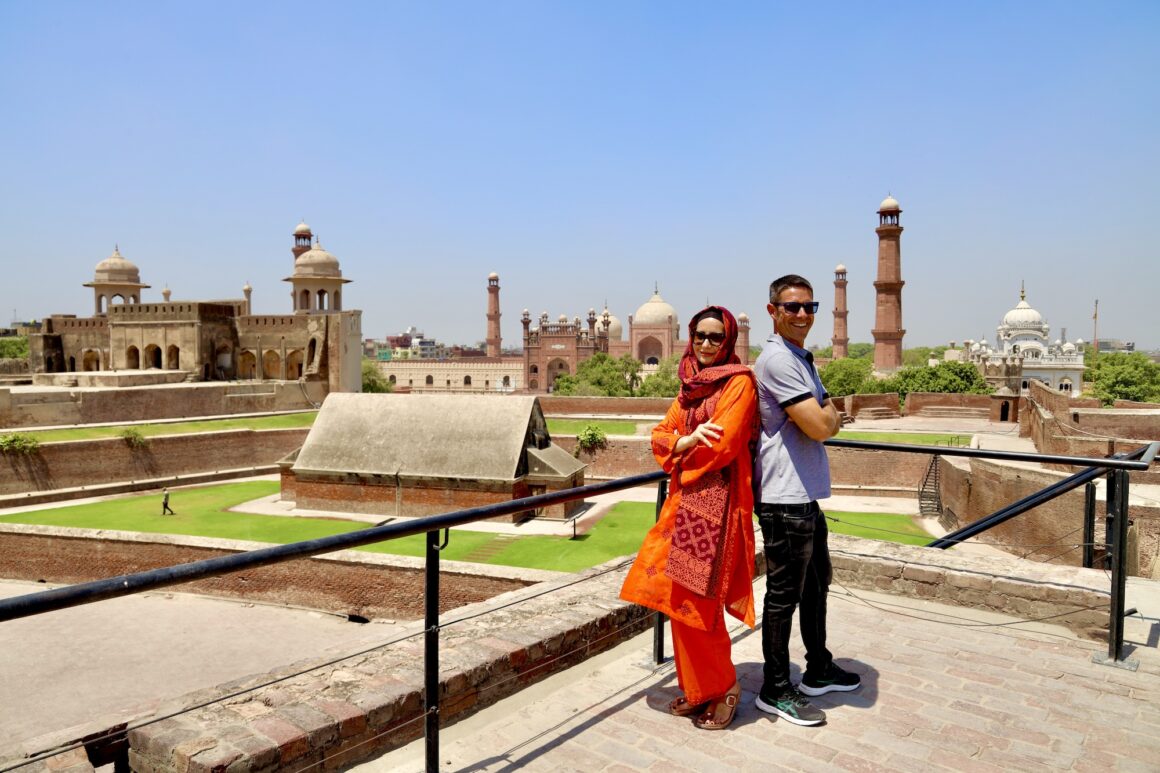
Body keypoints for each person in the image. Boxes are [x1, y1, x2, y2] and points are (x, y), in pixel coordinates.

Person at [620, 306, 757, 731]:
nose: (706, 344)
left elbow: (722, 446)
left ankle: (725, 687)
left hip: (715, 509)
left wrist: (682, 447)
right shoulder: (690, 388)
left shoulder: (738, 384)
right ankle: (699, 689)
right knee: (680, 602)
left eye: (716, 337)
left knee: (699, 604)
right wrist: (684, 440)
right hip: (685, 507)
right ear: (688, 336)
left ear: (729, 340)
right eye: (700, 335)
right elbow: (660, 435)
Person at [753, 274, 860, 727]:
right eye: (792, 307)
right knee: (784, 596)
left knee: (817, 586)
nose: (802, 314)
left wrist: (825, 414)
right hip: (782, 498)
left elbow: (825, 413)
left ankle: (818, 668)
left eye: (809, 307)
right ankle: (775, 687)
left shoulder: (802, 358)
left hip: (804, 496)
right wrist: (829, 416)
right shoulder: (778, 360)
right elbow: (821, 424)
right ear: (772, 311)